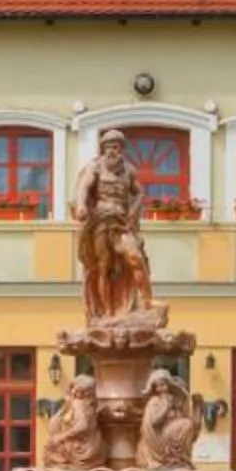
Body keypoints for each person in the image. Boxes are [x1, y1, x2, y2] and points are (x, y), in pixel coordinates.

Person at [69, 128, 156, 324]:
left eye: (115, 147)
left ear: (121, 149)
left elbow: (139, 193)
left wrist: (134, 211)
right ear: (103, 149)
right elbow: (84, 187)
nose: (111, 151)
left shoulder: (129, 170)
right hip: (101, 220)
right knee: (103, 267)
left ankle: (147, 303)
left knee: (135, 257)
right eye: (107, 147)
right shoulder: (96, 168)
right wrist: (82, 205)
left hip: (122, 223)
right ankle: (106, 313)